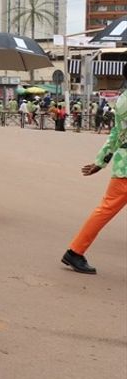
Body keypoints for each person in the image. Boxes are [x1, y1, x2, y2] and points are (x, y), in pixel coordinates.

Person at [63, 68, 127, 275]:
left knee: (105, 210)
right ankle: (74, 251)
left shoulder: (122, 100)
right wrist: (101, 162)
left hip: (123, 164)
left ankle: (75, 251)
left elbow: (116, 134)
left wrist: (101, 161)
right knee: (105, 210)